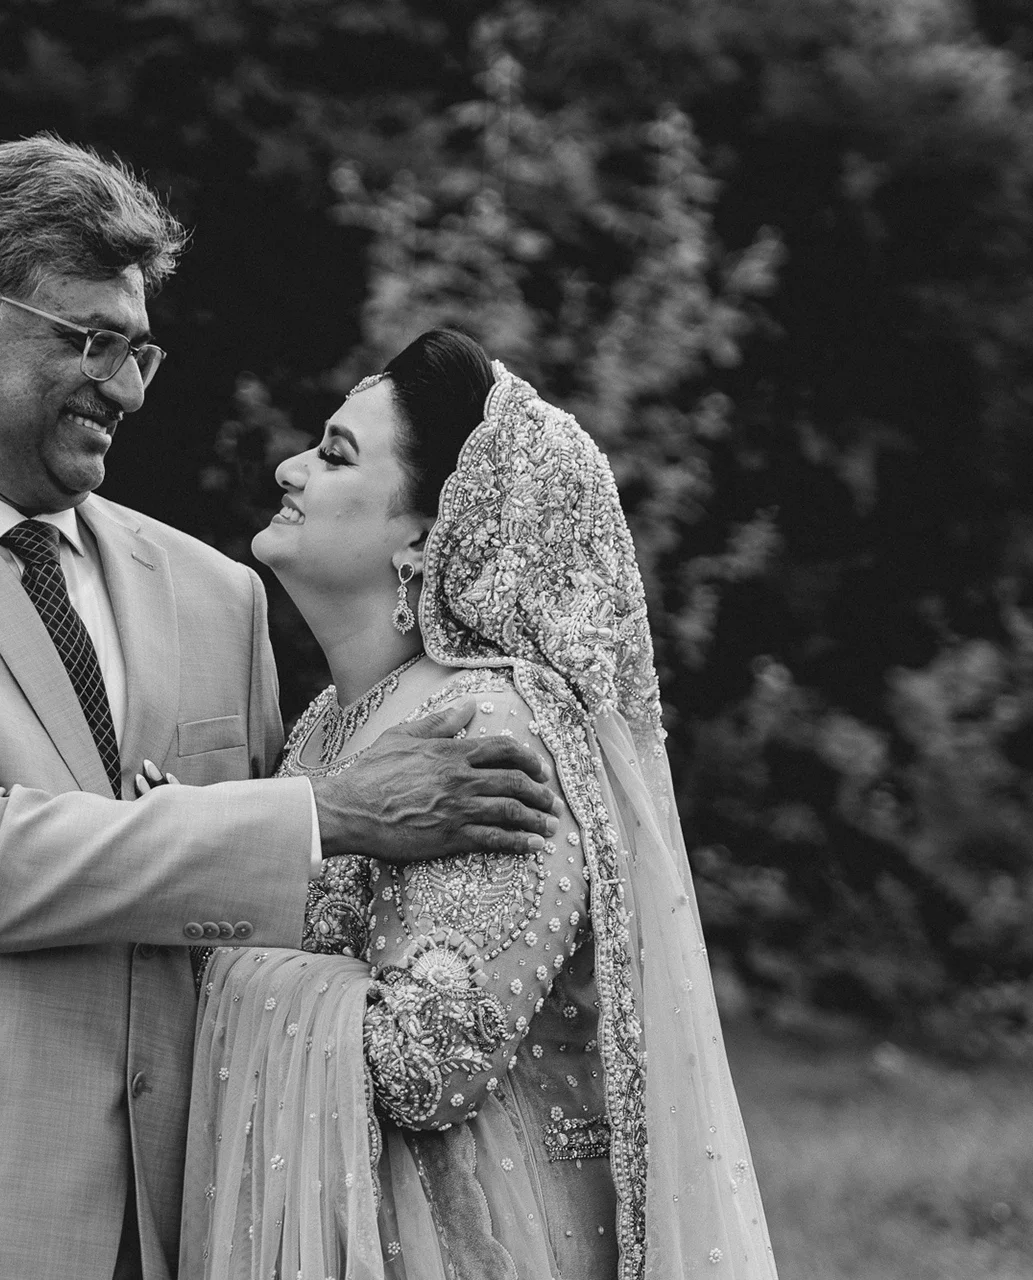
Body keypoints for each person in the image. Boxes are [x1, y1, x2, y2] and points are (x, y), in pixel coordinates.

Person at [0, 137, 564, 1280]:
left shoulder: (218, 597)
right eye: (88, 340)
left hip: (195, 1222)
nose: (123, 385)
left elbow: (270, 913)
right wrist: (321, 810)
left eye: (140, 348)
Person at [178, 330, 780, 1280]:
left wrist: (201, 932)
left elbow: (433, 1057)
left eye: (336, 454)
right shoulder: (328, 727)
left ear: (428, 534)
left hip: (470, 1241)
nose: (290, 467)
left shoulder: (486, 725)